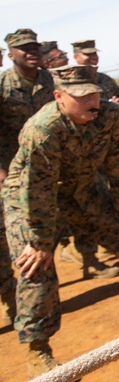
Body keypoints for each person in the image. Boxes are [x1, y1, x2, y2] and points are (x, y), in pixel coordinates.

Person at [4, 64, 119, 378]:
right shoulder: (42, 129)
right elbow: (37, 191)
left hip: (82, 188)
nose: (92, 102)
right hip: (30, 198)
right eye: (81, 97)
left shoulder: (111, 118)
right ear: (59, 97)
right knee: (36, 262)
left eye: (95, 94)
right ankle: (39, 350)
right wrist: (41, 241)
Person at [0, 30, 57, 327]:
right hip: (9, 175)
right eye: (23, 49)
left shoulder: (49, 80)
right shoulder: (2, 85)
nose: (31, 52)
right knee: (13, 243)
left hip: (46, 170)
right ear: (11, 55)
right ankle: (11, 302)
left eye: (34, 46)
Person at [71, 40, 119, 110]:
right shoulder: (70, 81)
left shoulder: (105, 79)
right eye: (88, 54)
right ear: (76, 57)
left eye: (94, 54)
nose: (93, 57)